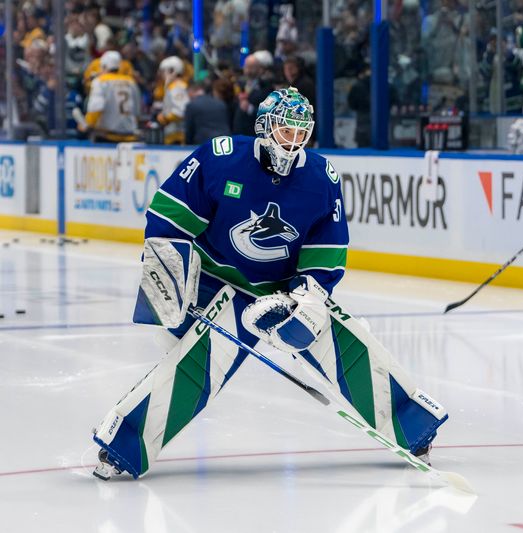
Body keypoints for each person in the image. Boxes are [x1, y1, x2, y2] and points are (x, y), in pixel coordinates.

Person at [91, 87, 447, 480]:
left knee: (345, 343)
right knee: (198, 364)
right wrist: (169, 276)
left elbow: (325, 251)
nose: (293, 142)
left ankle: (413, 429)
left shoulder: (319, 177)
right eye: (284, 131)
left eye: (301, 133)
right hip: (214, 281)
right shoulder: (220, 158)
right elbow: (168, 221)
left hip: (281, 292)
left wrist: (310, 299)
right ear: (263, 126)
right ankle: (123, 443)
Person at [79, 50, 141, 143]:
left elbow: (96, 108)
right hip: (129, 136)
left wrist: (87, 124)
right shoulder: (131, 81)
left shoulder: (100, 81)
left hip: (107, 137)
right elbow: (137, 111)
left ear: (104, 66)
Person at [183, 81, 232, 145]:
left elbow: (189, 130)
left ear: (191, 91)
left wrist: (188, 145)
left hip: (204, 143)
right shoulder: (221, 103)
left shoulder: (192, 105)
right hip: (225, 142)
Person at [155, 56, 189, 145]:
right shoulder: (173, 86)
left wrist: (166, 118)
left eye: (163, 71)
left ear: (172, 71)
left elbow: (181, 111)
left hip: (177, 135)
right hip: (173, 133)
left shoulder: (177, 86)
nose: (161, 74)